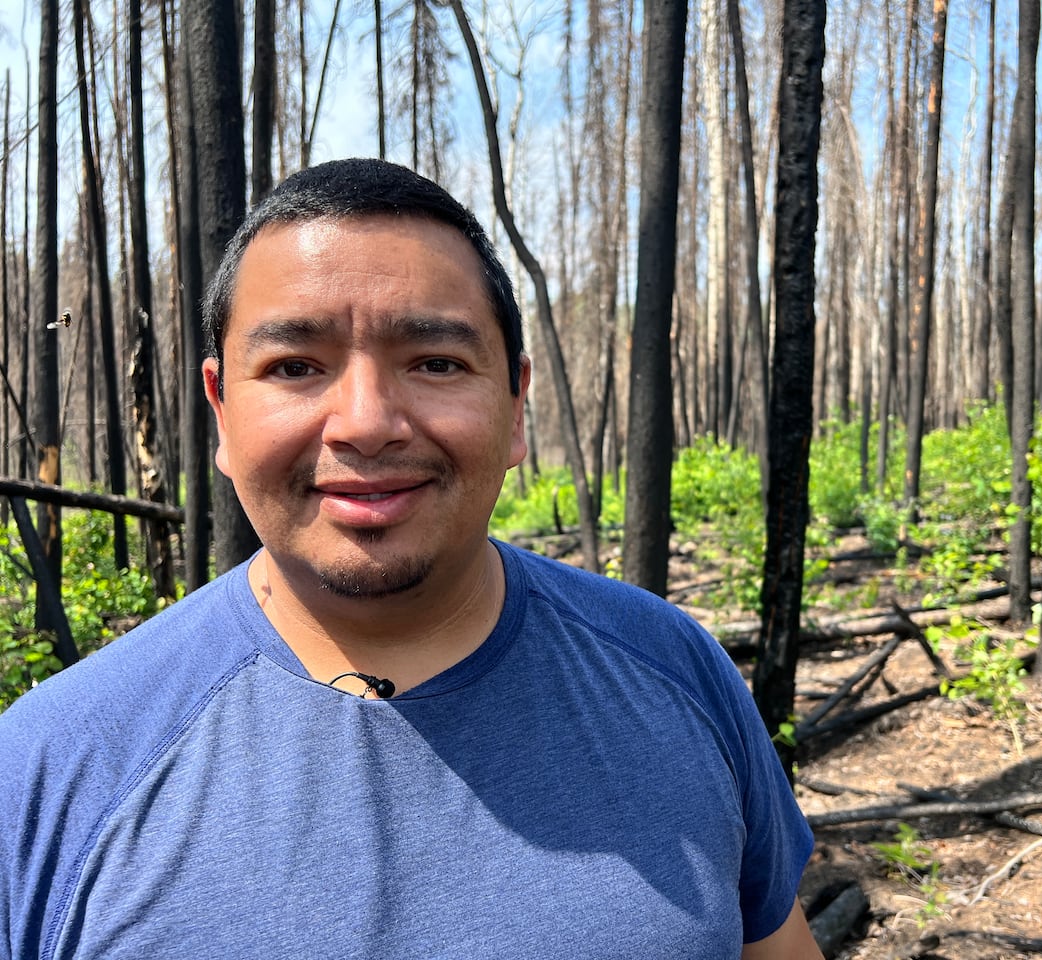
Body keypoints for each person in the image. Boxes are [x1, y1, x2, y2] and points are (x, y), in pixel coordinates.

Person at [0, 159, 819, 959]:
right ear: (221, 407)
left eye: (435, 363)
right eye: (295, 367)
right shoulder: (47, 771)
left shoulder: (677, 670)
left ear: (515, 404)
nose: (365, 423)